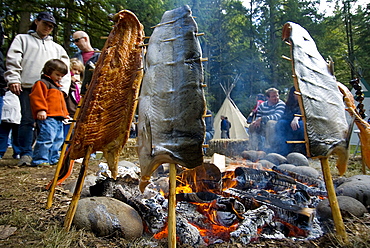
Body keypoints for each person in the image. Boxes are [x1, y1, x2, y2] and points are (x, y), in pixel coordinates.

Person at [5, 11, 70, 166]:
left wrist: (64, 90)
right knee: (27, 121)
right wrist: (13, 79)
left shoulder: (57, 47)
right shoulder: (22, 39)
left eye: (51, 26)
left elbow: (66, 70)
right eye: (45, 23)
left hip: (53, 91)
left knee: (52, 125)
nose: (48, 27)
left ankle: (48, 155)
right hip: (28, 87)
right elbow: (13, 59)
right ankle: (25, 153)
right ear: (37, 22)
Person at [29, 59, 69, 167]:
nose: (59, 78)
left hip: (58, 117)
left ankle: (53, 158)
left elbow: (61, 103)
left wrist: (65, 114)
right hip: (48, 116)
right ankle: (40, 159)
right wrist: (41, 109)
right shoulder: (42, 83)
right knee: (47, 138)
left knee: (58, 139)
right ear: (49, 71)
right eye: (57, 75)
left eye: (61, 76)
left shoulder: (57, 87)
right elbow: (37, 97)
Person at [275, 86, 305, 156]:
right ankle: (284, 149)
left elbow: (306, 114)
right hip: (290, 121)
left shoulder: (305, 102)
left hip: (302, 121)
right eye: (295, 93)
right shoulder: (289, 103)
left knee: (301, 125)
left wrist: (297, 117)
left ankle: (301, 149)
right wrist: (293, 118)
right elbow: (285, 115)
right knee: (281, 123)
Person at [63, 58, 84, 139]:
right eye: (74, 69)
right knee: (66, 133)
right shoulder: (67, 82)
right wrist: (70, 80)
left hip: (77, 111)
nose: (76, 73)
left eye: (79, 71)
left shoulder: (79, 84)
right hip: (68, 111)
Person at [0, 91, 21, 159]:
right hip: (10, 115)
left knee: (16, 135)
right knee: (4, 135)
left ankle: (17, 152)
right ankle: (2, 152)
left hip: (16, 115)